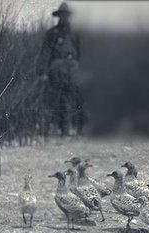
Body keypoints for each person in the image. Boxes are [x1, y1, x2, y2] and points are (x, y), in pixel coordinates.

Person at [37, 2, 84, 136]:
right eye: (61, 16)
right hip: (57, 68)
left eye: (66, 15)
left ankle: (79, 128)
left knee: (78, 98)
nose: (64, 18)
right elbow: (45, 53)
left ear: (69, 17)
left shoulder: (75, 33)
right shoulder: (52, 34)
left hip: (73, 68)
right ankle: (61, 129)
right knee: (59, 98)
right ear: (58, 17)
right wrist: (43, 72)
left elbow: (80, 53)